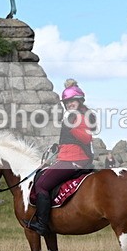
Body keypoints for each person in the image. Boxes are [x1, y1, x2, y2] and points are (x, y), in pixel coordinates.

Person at [26, 79, 97, 236]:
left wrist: (71, 128)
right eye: (68, 101)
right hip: (67, 157)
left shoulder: (80, 116)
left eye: (73, 100)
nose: (70, 103)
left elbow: (86, 138)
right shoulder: (73, 116)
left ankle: (42, 224)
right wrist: (57, 148)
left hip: (74, 161)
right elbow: (71, 141)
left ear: (79, 101)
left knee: (42, 185)